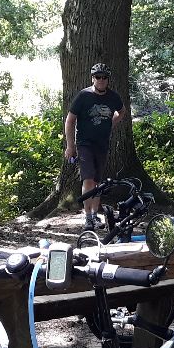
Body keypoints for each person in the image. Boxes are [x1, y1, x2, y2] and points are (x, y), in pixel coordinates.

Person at [64, 63, 125, 229]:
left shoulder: (113, 97)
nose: (101, 80)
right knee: (88, 178)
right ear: (93, 78)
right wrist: (70, 146)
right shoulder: (83, 96)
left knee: (98, 181)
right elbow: (70, 120)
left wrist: (110, 124)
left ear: (108, 80)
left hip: (102, 143)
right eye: (98, 77)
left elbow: (122, 111)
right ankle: (88, 217)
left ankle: (95, 215)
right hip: (84, 143)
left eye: (104, 77)